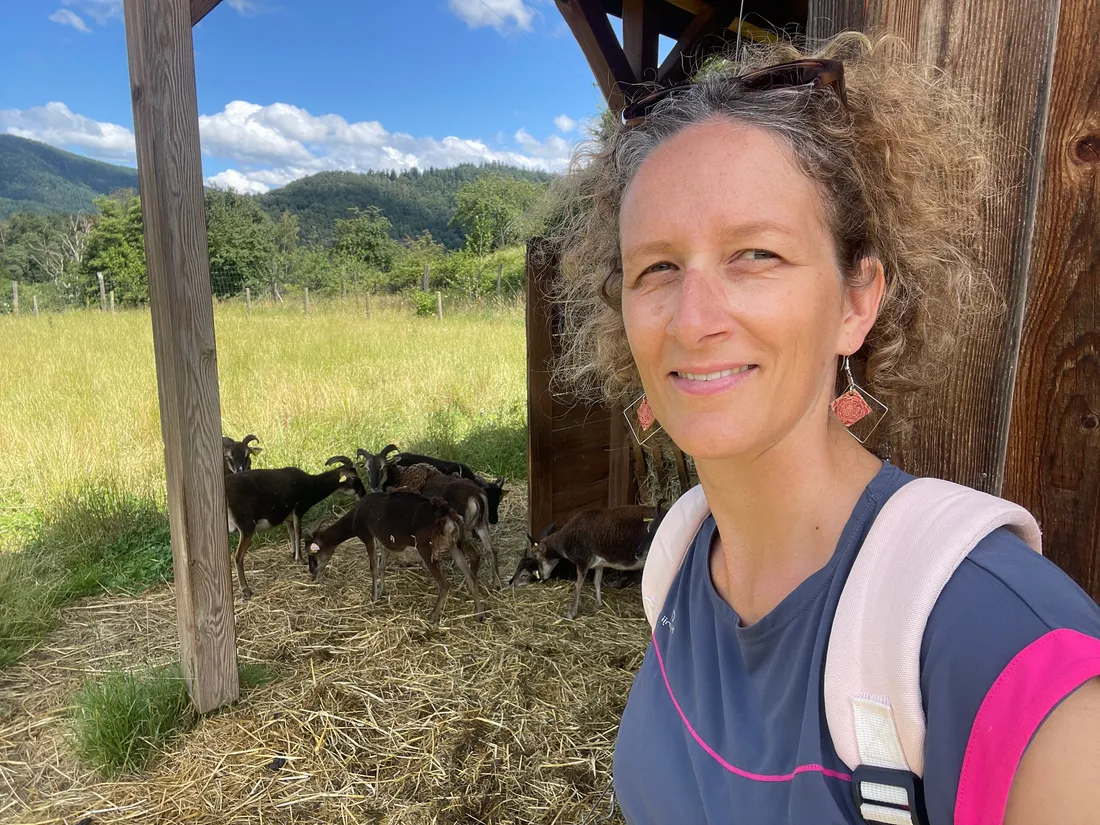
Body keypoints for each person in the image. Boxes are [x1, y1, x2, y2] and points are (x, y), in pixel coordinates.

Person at [545, 31, 1100, 825]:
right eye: (657, 267)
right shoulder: (676, 561)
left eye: (756, 254)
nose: (693, 320)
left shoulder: (1012, 659)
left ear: (856, 301)